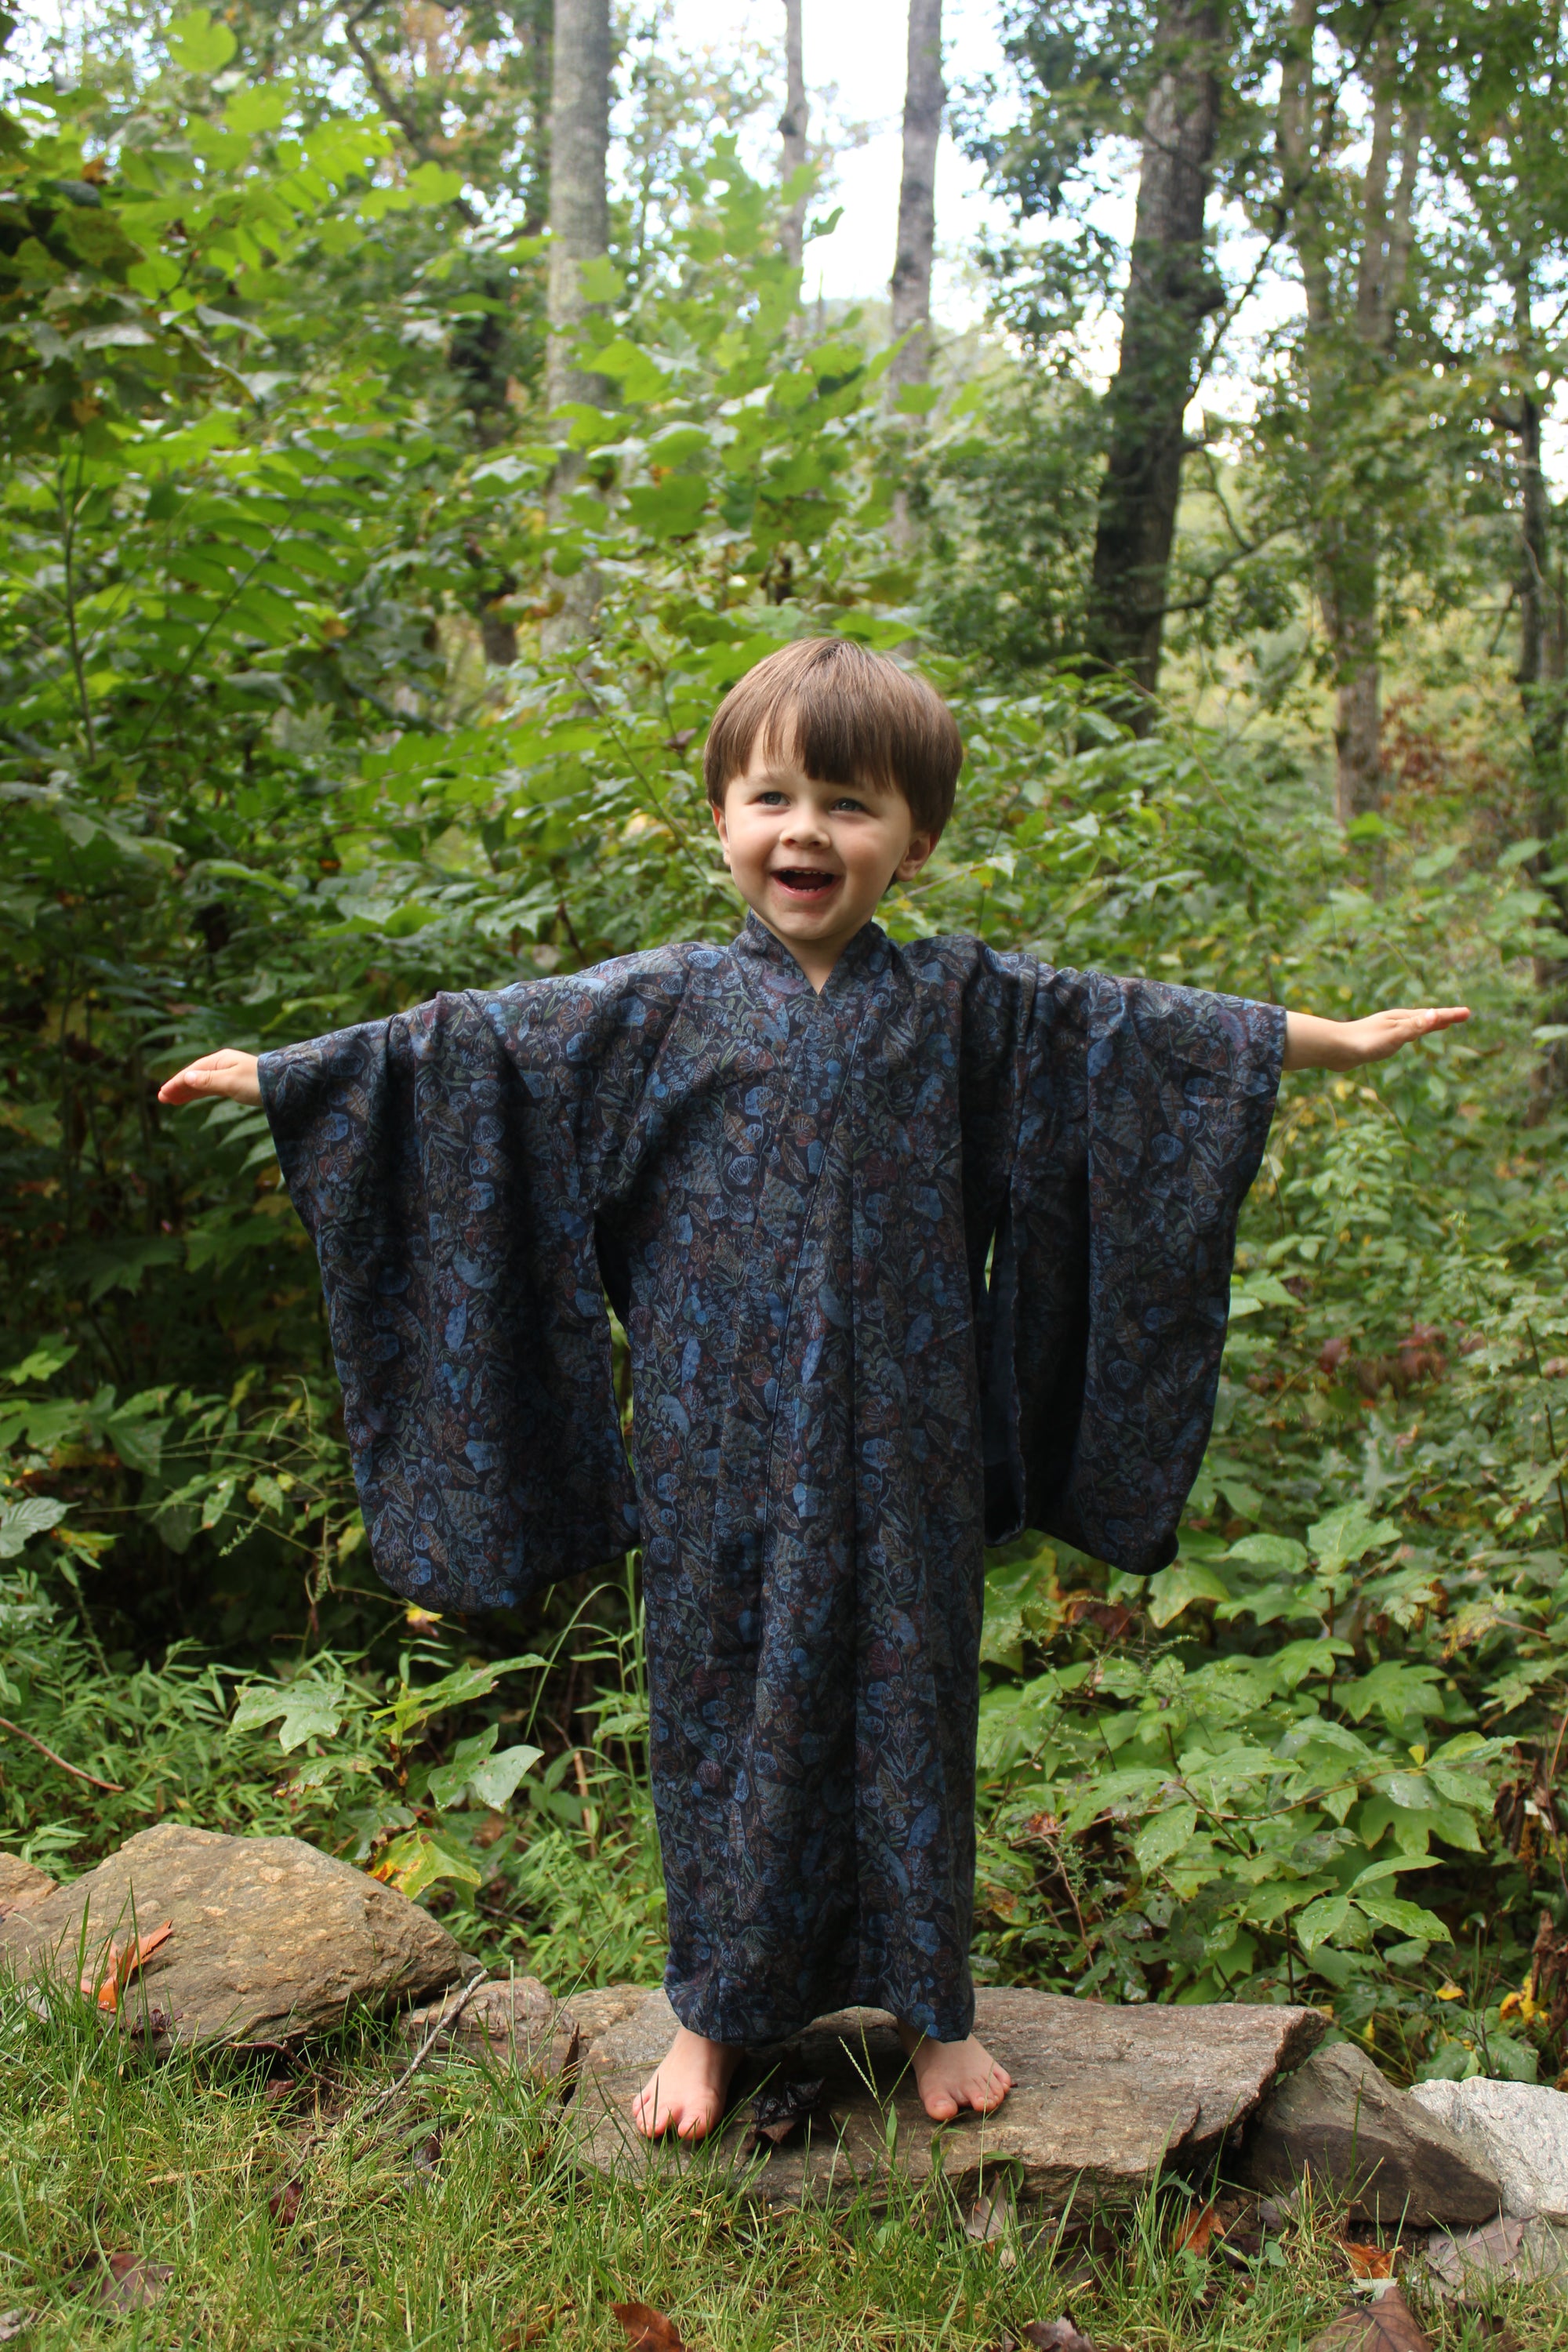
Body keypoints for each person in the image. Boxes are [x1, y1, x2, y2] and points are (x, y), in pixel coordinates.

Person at [159, 639, 1469, 2143]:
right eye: (770, 795)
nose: (805, 833)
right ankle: (712, 2019)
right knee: (722, 1712)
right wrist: (295, 1078)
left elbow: (1147, 1037)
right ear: (717, 817)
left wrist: (1334, 1044)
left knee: (913, 1713)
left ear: (915, 839)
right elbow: (473, 1058)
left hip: (912, 1442)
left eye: (849, 804)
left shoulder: (969, 1005)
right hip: (718, 1448)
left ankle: (934, 2016)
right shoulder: (651, 1009)